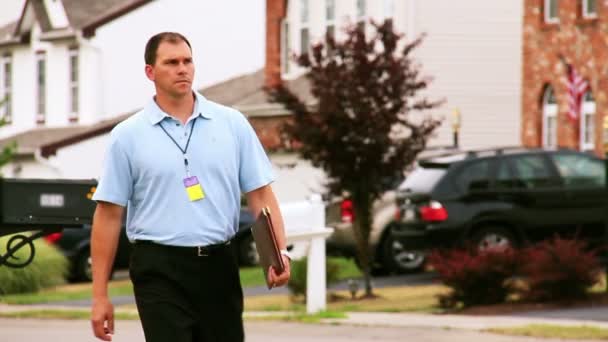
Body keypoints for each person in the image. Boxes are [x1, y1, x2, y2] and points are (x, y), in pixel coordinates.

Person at [90, 32, 290, 342]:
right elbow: (108, 215)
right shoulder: (127, 136)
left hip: (219, 266)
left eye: (187, 61)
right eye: (171, 62)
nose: (182, 69)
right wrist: (99, 295)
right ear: (150, 72)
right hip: (158, 269)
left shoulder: (231, 124)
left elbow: (261, 195)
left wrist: (278, 254)